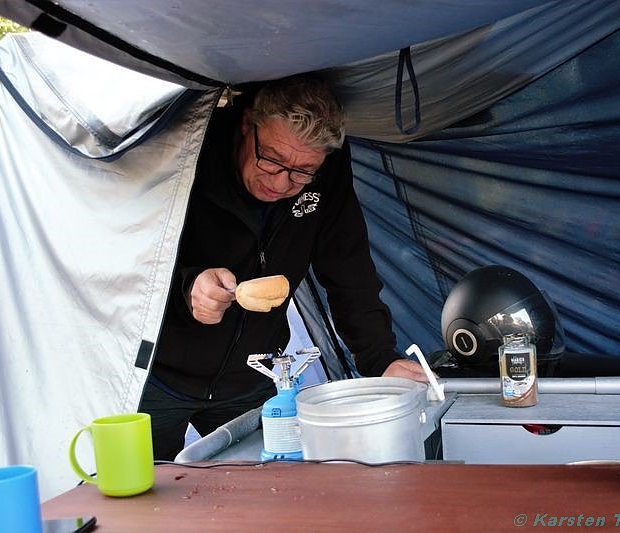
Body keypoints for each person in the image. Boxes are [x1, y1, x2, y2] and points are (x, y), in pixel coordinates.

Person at [140, 75, 429, 460]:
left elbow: (349, 270)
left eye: (302, 171)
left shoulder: (326, 172)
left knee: (267, 497)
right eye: (272, 159)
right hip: (156, 373)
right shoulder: (191, 151)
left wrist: (381, 359)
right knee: (141, 504)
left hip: (254, 374)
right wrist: (187, 286)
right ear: (247, 126)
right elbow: (126, 252)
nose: (281, 181)